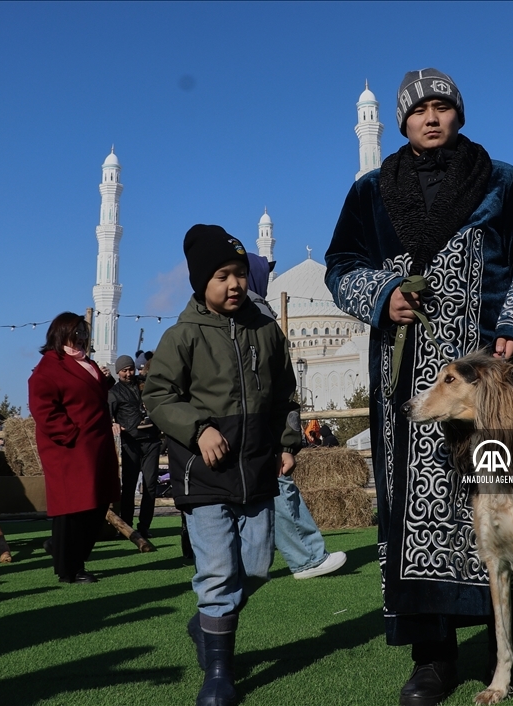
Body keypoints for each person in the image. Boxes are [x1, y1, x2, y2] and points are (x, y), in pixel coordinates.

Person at [325, 69, 513, 705]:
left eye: (442, 107)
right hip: (411, 379)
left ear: (457, 114)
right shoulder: (370, 192)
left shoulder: (502, 181)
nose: (431, 118)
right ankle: (433, 658)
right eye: (420, 110)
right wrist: (381, 295)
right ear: (400, 121)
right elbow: (341, 266)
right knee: (418, 510)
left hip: (492, 380)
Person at [143, 225, 302, 706]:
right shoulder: (183, 335)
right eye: (221, 275)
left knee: (254, 568)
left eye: (238, 273)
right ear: (200, 283)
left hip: (255, 469)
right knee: (217, 574)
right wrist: (197, 429)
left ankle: (207, 622)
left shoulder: (266, 330)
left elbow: (284, 395)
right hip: (204, 473)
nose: (234, 284)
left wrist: (288, 442)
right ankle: (218, 671)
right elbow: (157, 394)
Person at [245, 251, 347, 581]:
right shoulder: (257, 311)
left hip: (236, 420)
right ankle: (307, 558)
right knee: (278, 486)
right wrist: (285, 439)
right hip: (256, 418)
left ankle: (238, 566)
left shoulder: (232, 310)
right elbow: (275, 380)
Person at [28, 312, 120, 584]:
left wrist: (106, 380)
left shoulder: (86, 363)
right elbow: (43, 409)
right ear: (60, 333)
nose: (81, 337)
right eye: (76, 332)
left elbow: (92, 396)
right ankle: (69, 569)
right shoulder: (49, 366)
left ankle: (61, 550)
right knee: (74, 509)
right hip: (70, 450)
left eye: (83, 332)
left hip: (97, 446)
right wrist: (71, 436)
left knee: (98, 503)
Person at [108, 354, 162, 537]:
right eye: (124, 370)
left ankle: (145, 526)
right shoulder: (114, 393)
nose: (128, 373)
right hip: (131, 442)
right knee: (129, 486)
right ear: (118, 372)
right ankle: (127, 526)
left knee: (150, 486)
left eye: (130, 369)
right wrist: (113, 423)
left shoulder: (145, 384)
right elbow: (107, 415)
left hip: (151, 440)